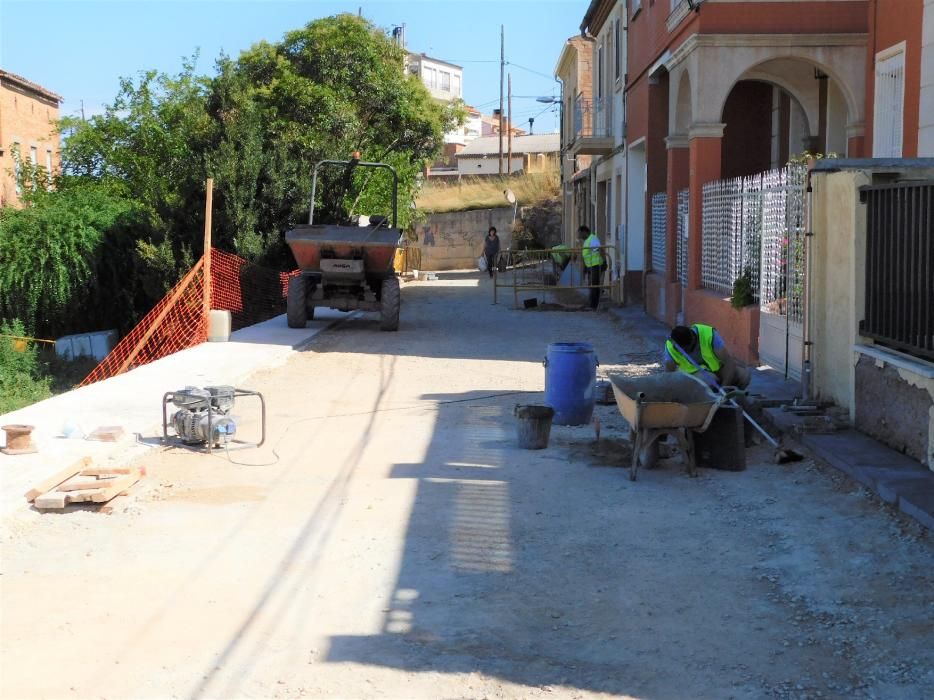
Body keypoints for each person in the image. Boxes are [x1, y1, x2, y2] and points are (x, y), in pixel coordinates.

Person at [663, 324, 751, 390]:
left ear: (693, 339)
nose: (685, 352)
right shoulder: (671, 346)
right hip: (694, 375)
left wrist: (725, 387)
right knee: (710, 380)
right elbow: (669, 375)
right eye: (682, 350)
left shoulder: (709, 334)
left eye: (687, 349)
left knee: (744, 376)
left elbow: (729, 361)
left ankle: (729, 401)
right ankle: (708, 404)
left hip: (716, 370)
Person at [578, 224, 605, 309]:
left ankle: (593, 305)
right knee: (591, 285)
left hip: (596, 266)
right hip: (591, 266)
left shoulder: (592, 239)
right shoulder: (586, 241)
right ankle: (591, 304)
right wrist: (585, 268)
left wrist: (604, 262)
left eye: (580, 233)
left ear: (584, 232)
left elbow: (600, 249)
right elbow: (587, 255)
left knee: (594, 286)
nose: (579, 236)